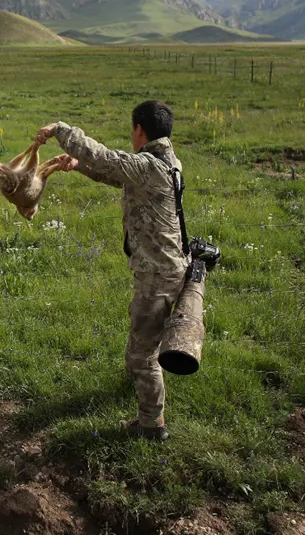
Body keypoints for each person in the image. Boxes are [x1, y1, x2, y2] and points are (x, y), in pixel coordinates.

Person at [35, 101, 188, 441]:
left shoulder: (149, 165)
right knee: (145, 347)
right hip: (168, 270)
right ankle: (142, 395)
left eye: (131, 130)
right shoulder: (167, 161)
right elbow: (118, 174)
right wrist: (77, 165)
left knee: (142, 356)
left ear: (139, 131)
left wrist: (61, 130)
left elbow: (107, 159)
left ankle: (151, 426)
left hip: (157, 277)